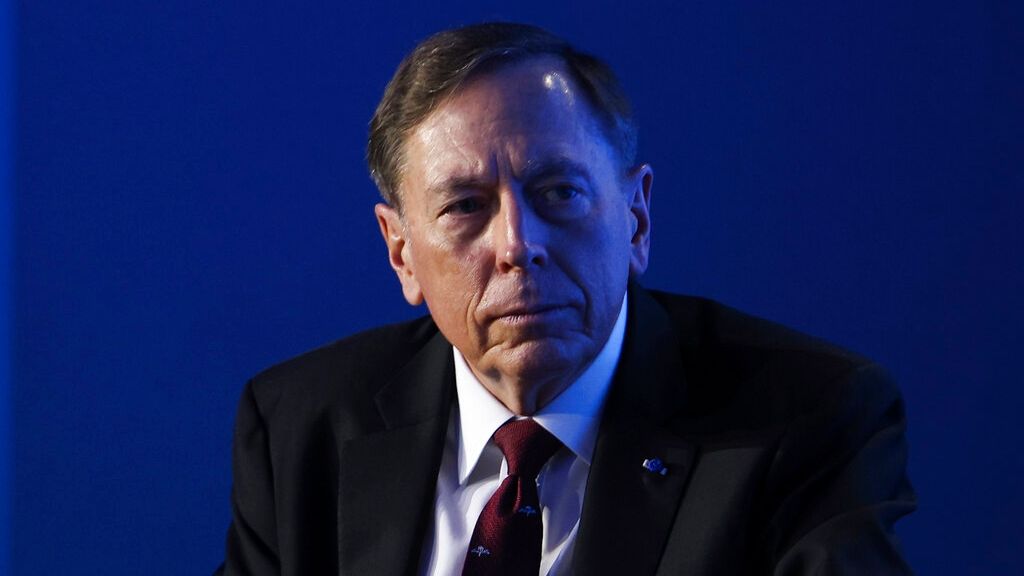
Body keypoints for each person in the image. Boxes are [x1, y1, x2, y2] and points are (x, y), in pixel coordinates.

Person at [217, 22, 915, 575]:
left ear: (635, 218)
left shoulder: (809, 419)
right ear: (402, 252)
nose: (518, 245)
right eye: (465, 206)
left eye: (558, 192)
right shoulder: (299, 429)